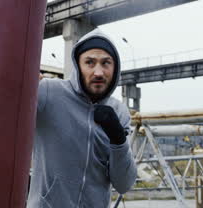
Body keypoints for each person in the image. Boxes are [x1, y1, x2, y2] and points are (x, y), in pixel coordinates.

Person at [27, 28, 137, 207]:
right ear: (78, 66)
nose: (99, 72)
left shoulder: (119, 112)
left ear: (115, 68)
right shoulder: (49, 92)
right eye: (90, 62)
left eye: (106, 63)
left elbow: (124, 184)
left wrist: (118, 139)